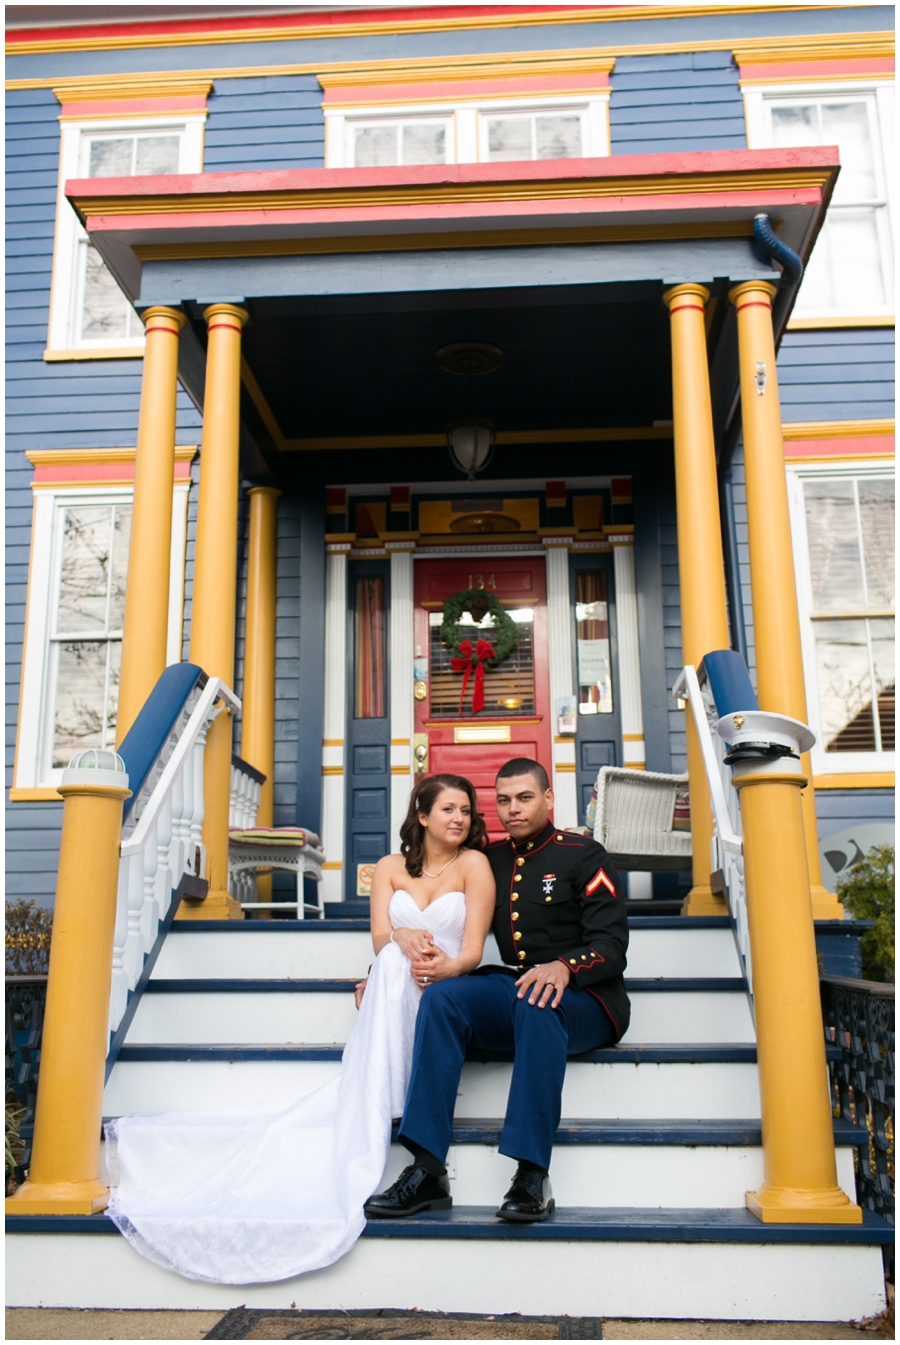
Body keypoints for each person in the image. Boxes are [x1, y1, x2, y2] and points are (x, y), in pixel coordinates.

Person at [104, 773, 493, 1284]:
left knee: (394, 970)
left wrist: (443, 969)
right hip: (399, 978)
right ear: (421, 816)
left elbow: (472, 952)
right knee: (392, 964)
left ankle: (392, 1089)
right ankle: (388, 1087)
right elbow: (380, 938)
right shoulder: (390, 868)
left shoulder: (475, 865)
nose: (459, 819)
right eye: (448, 809)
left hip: (446, 989)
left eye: (465, 810)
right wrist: (398, 937)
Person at [365, 757, 629, 1224]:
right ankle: (427, 1169)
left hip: (589, 999)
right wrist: (383, 969)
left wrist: (565, 967)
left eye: (525, 798)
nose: (513, 809)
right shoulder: (491, 859)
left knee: (538, 999)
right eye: (503, 800)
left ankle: (531, 1174)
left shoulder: (583, 854)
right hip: (520, 987)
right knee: (444, 998)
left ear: (549, 799)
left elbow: (611, 945)